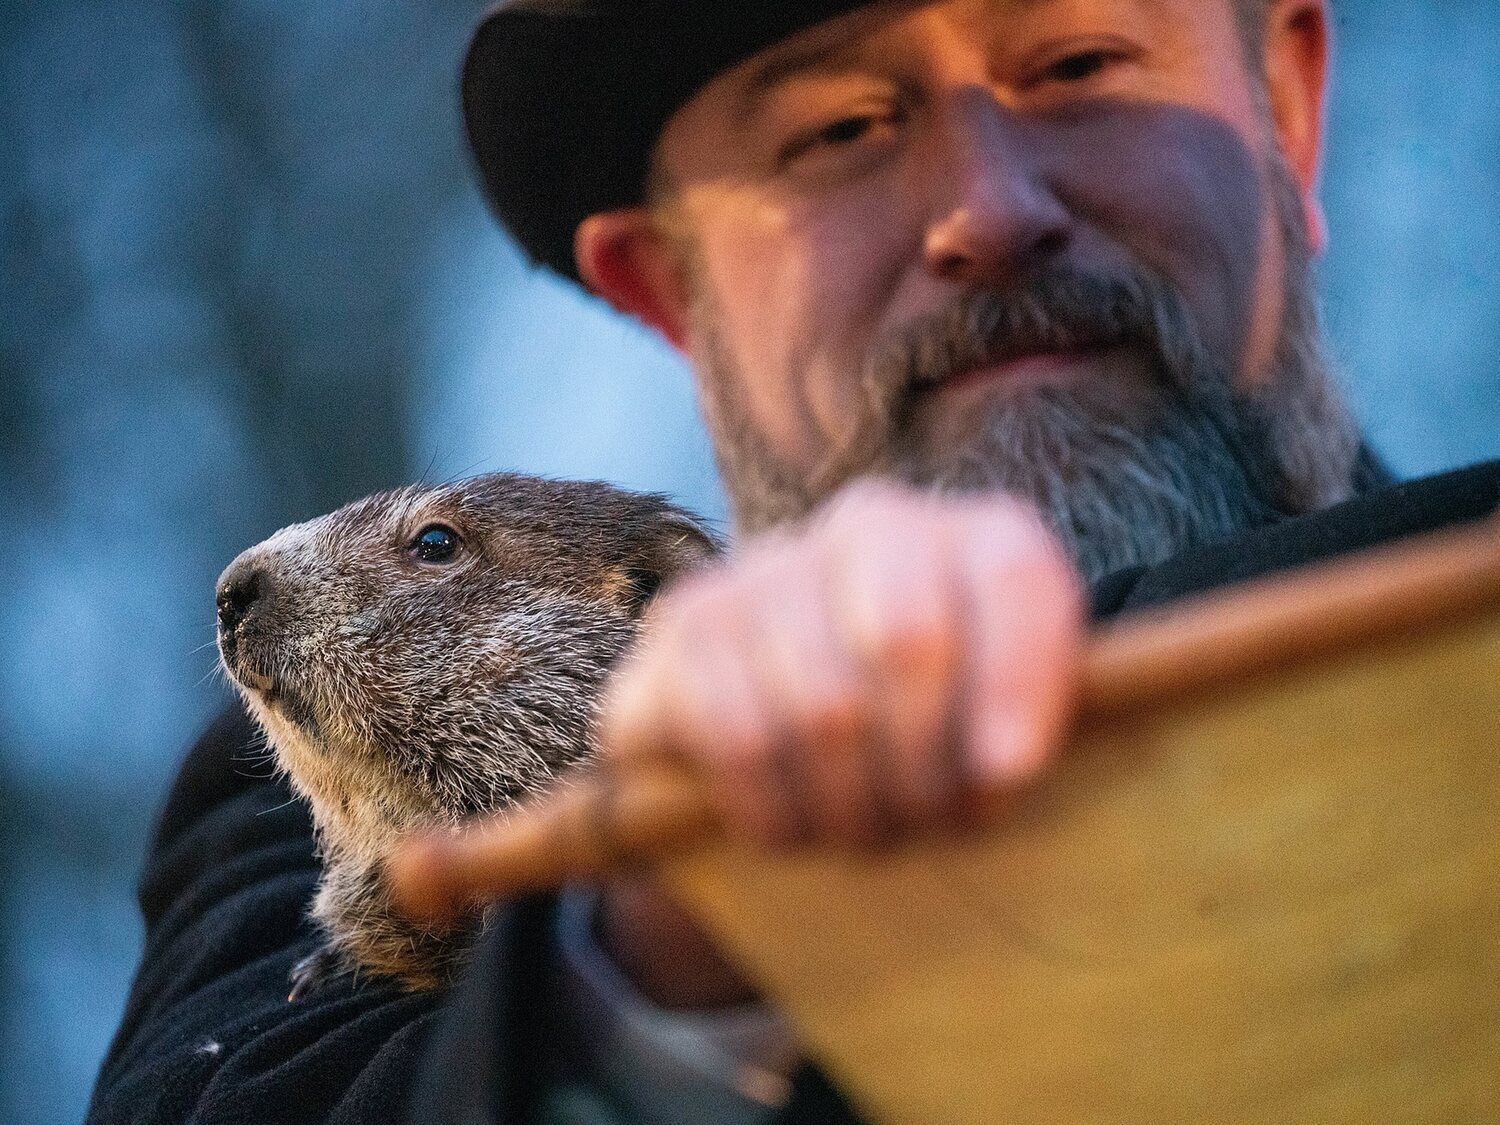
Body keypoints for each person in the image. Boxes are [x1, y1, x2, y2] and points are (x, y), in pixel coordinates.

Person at [89, 1, 1499, 1122]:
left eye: (1078, 60)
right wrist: (678, 927)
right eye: (837, 131)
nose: (991, 213)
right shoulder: (276, 827)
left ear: (1292, 115)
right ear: (668, 293)